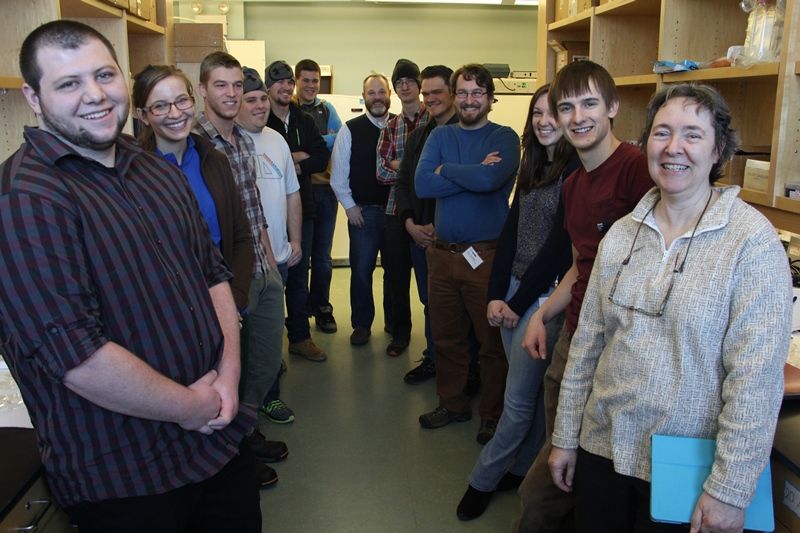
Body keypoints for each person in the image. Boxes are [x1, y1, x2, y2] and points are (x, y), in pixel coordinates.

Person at [0, 21, 260, 531]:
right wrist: (190, 405)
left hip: (216, 441)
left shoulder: (155, 169)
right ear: (34, 97)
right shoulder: (25, 199)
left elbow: (213, 275)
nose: (94, 95)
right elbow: (73, 354)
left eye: (103, 74)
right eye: (68, 83)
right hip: (125, 475)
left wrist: (228, 377)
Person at [549, 83, 791, 532]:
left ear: (719, 149)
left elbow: (755, 381)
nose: (673, 148)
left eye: (692, 135)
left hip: (689, 468)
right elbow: (587, 345)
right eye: (662, 133)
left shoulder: (750, 242)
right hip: (603, 449)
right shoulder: (622, 233)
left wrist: (731, 489)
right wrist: (565, 438)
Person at [513, 60, 653, 532]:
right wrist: (542, 313)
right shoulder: (573, 183)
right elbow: (580, 263)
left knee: (559, 485)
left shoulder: (638, 170)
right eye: (566, 107)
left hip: (620, 348)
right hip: (574, 336)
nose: (577, 117)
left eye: (589, 103)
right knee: (561, 457)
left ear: (613, 107)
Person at [457, 84, 579, 521]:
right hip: (513, 287)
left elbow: (559, 249)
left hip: (544, 297)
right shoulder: (535, 165)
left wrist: (517, 301)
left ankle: (482, 479)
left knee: (519, 399)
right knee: (526, 390)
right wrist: (495, 293)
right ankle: (524, 466)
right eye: (538, 113)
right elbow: (511, 232)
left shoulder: (574, 173)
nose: (544, 122)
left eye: (554, 114)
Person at [415, 63, 519, 445]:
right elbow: (423, 183)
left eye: (477, 93)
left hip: (486, 257)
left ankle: (491, 416)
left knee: (491, 344)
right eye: (463, 92)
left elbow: (493, 181)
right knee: (446, 338)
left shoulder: (506, 138)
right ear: (454, 96)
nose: (469, 100)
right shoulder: (440, 135)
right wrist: (472, 173)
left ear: (490, 99)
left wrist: (450, 172)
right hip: (442, 256)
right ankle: (453, 403)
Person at [193, 53, 293, 442]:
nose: (232, 93)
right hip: (224, 276)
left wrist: (269, 261)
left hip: (260, 265)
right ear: (202, 89)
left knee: (267, 359)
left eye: (238, 85)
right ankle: (236, 444)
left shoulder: (240, 141)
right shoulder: (196, 145)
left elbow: (254, 207)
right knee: (229, 363)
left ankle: (245, 429)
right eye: (221, 85)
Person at [395, 64, 457, 384]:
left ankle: (463, 368)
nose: (430, 98)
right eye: (426, 93)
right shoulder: (420, 136)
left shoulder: (468, 134)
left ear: (453, 93)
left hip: (455, 241)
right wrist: (409, 223)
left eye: (437, 92)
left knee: (458, 307)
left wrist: (437, 226)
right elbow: (405, 183)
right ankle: (434, 358)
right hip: (420, 237)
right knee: (430, 302)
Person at [265, 60, 330, 362]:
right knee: (269, 278)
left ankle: (300, 337)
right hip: (267, 211)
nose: (285, 86)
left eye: (288, 81)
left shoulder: (303, 119)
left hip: (302, 207)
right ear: (269, 86)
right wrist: (297, 159)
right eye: (278, 81)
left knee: (298, 272)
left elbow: (321, 155)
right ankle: (269, 345)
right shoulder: (261, 119)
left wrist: (293, 161)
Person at [330, 73, 394, 346]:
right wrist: (350, 207)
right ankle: (362, 325)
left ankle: (395, 323)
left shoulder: (401, 126)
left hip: (395, 215)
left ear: (389, 93)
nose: (377, 97)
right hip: (363, 214)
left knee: (396, 272)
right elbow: (338, 175)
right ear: (364, 96)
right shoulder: (350, 129)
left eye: (382, 92)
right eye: (372, 93)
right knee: (361, 271)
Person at [376, 59, 428, 358]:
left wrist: (402, 166)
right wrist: (416, 170)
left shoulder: (432, 120)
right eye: (399, 82)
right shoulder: (390, 127)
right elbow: (381, 173)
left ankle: (435, 338)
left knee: (429, 280)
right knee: (396, 277)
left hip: (426, 211)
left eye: (409, 80)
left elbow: (438, 169)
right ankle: (400, 334)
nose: (404, 86)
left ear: (418, 85)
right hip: (395, 212)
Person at [294, 58, 342, 334]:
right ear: (297, 81)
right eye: (306, 80)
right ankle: (299, 314)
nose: (311, 85)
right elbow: (289, 145)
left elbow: (339, 137)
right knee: (299, 256)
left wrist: (309, 146)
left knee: (322, 257)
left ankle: (322, 308)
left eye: (315, 81)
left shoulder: (328, 109)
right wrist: (321, 141)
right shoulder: (288, 109)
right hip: (297, 191)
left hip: (324, 190)